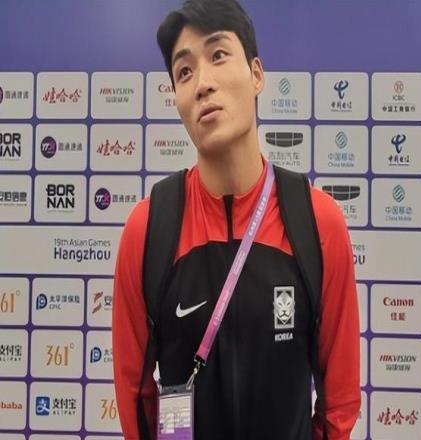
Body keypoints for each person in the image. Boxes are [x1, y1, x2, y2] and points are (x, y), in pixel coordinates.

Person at [112, 0, 360, 439]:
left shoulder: (318, 221)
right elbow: (135, 396)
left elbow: (339, 401)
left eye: (218, 54)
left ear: (256, 75)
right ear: (176, 99)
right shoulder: (148, 228)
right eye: (184, 72)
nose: (202, 83)